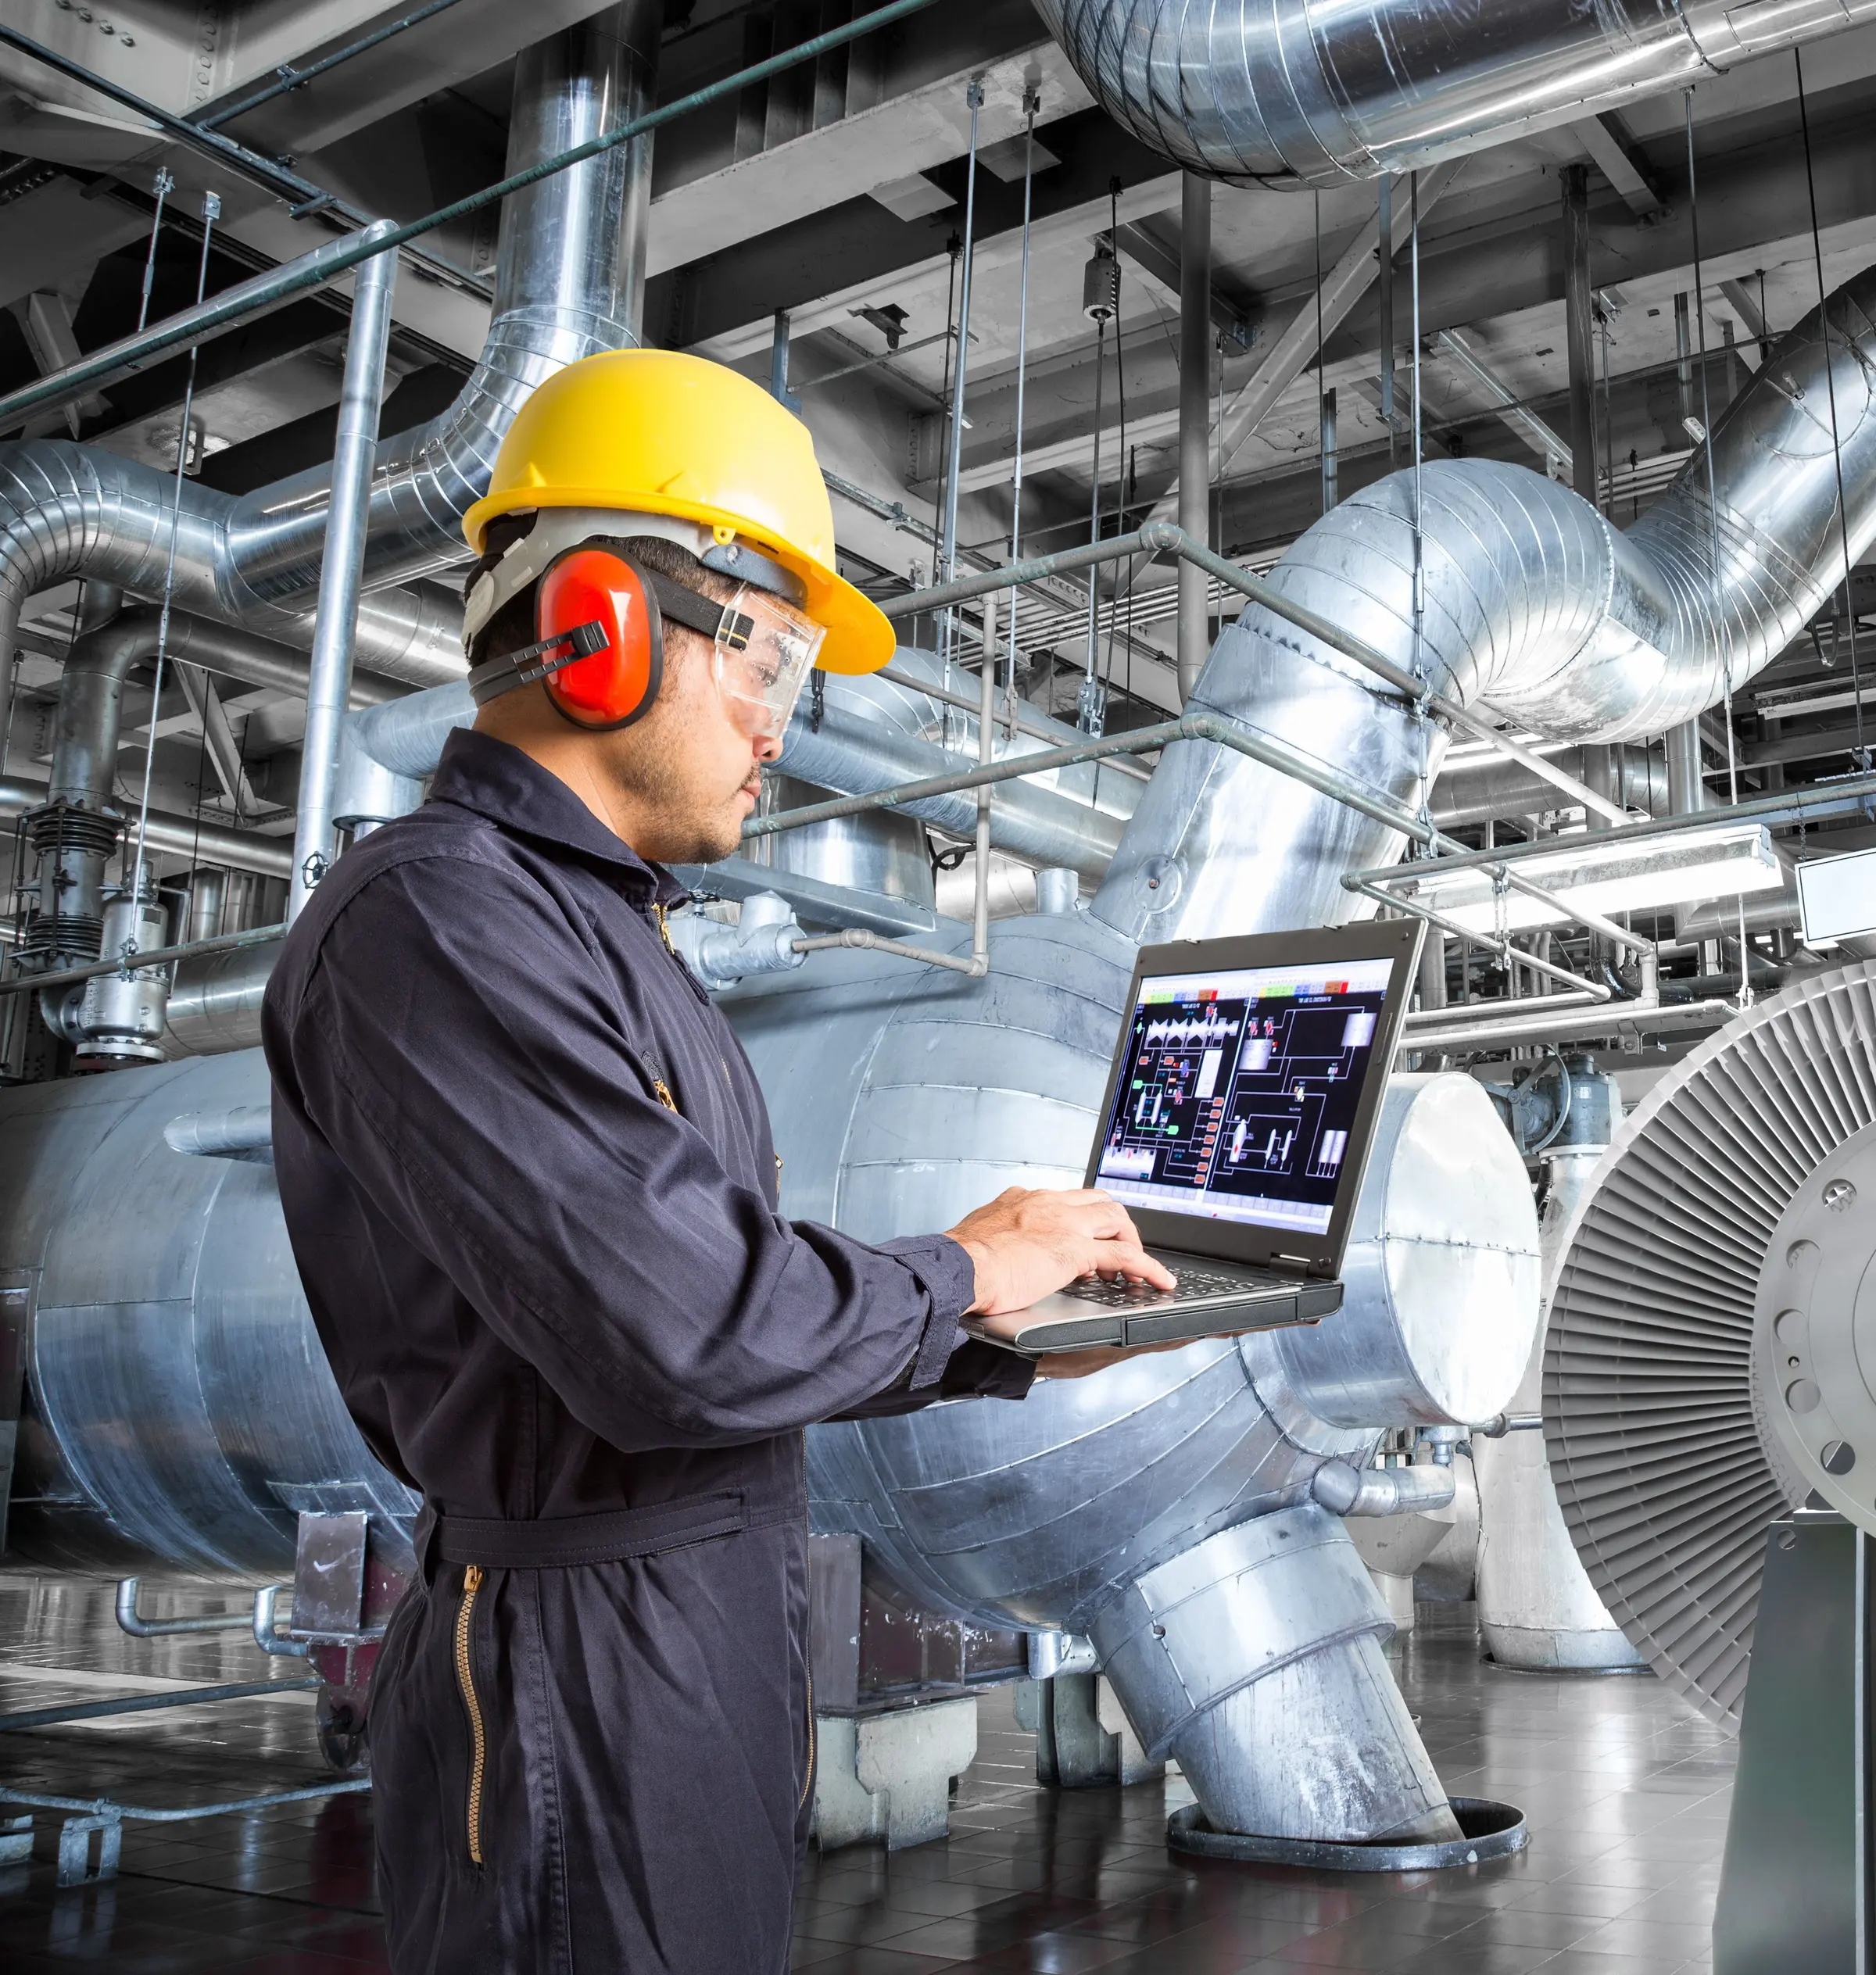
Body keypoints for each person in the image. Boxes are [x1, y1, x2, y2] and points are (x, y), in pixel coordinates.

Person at [263, 348, 1174, 1975]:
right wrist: (960, 1271)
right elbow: (681, 1332)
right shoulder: (441, 921)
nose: (784, 728)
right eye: (765, 657)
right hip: (573, 1689)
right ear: (597, 628)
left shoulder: (599, 935)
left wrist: (982, 1321)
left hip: (680, 1646)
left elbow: (697, 1294)